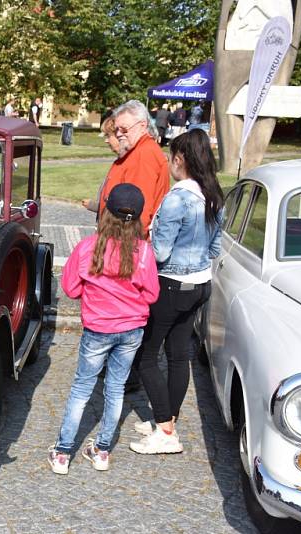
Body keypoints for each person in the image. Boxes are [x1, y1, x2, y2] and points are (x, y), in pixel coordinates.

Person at [48, 183, 160, 474]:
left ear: (106, 212)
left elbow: (70, 288)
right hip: (132, 330)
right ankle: (101, 451)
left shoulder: (88, 247)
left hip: (98, 329)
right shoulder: (145, 252)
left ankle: (62, 453)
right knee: (116, 389)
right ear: (137, 218)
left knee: (82, 387)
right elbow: (152, 295)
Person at [130, 129, 224, 455]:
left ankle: (166, 431)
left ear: (180, 158)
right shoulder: (213, 195)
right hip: (201, 284)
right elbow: (215, 248)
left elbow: (159, 252)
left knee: (146, 357)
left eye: (172, 157)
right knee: (178, 354)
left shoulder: (177, 198)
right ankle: (166, 418)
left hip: (171, 284)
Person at [97, 100, 170, 236]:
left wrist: (127, 249)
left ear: (143, 126)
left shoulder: (144, 155)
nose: (118, 134)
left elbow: (139, 212)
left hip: (125, 243)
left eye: (124, 129)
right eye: (117, 129)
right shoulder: (137, 151)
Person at [81, 117, 120, 215]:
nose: (106, 141)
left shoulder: (127, 165)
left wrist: (94, 206)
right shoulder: (119, 162)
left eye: (108, 135)